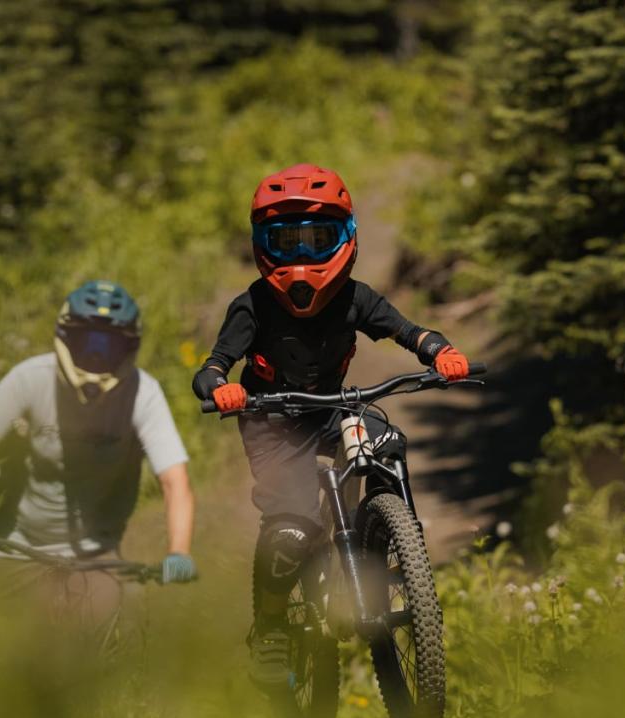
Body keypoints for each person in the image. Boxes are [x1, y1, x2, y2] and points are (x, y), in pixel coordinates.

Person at [191, 164, 469, 690]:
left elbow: (407, 331)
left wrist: (442, 351)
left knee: (386, 442)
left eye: (316, 240)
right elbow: (211, 367)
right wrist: (220, 388)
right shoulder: (250, 306)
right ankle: (272, 630)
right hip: (272, 423)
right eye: (285, 242)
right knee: (293, 526)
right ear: (262, 245)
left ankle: (387, 540)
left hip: (332, 410)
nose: (300, 257)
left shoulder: (354, 298)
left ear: (345, 239)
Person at [0, 280, 197, 646]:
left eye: (109, 345)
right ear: (65, 337)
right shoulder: (29, 379)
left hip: (95, 554)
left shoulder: (143, 393)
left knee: (102, 645)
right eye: (87, 342)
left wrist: (179, 550)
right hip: (13, 544)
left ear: (129, 348)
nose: (97, 355)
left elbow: (175, 481)